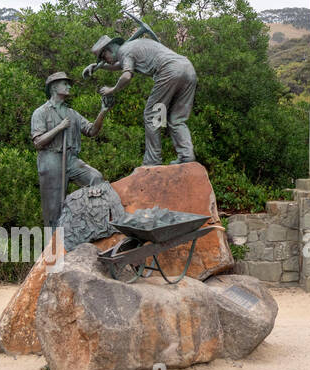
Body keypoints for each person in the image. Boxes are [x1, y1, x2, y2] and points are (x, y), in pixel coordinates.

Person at [89, 34, 198, 166]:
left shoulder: (124, 52)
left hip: (169, 71)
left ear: (109, 49)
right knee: (177, 119)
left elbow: (126, 76)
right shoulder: (133, 46)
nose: (105, 61)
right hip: (188, 70)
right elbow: (119, 65)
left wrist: (112, 90)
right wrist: (97, 66)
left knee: (152, 115)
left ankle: (153, 160)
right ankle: (187, 155)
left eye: (103, 57)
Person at [30, 73, 108, 229]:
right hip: (51, 159)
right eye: (65, 84)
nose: (69, 87)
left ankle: (97, 222)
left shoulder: (72, 113)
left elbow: (92, 131)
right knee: (53, 209)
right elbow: (38, 142)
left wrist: (103, 111)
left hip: (71, 159)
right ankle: (53, 245)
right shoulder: (41, 112)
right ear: (54, 87)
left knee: (96, 178)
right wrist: (59, 127)